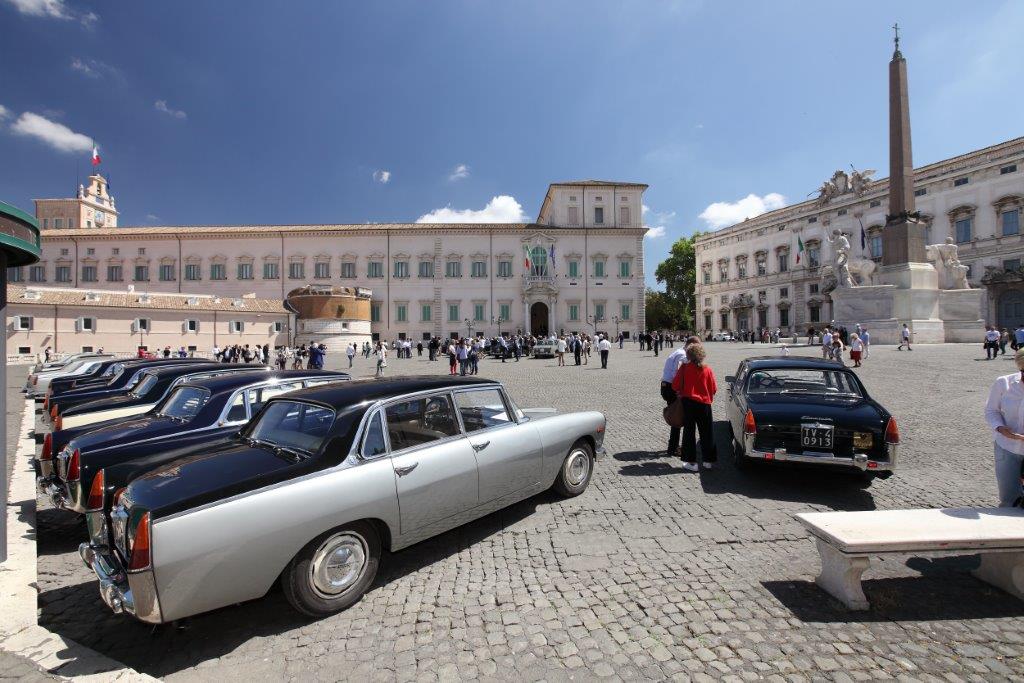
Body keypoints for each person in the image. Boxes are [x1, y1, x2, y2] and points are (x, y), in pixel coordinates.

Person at [984, 349, 1024, 506]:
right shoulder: (1003, 383)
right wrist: (1000, 427)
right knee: (1008, 499)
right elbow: (991, 410)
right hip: (1007, 447)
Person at [671, 344, 718, 472]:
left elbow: (675, 385)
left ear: (688, 355)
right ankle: (708, 461)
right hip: (705, 404)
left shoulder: (685, 368)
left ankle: (692, 462)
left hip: (689, 403)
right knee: (707, 433)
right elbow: (714, 388)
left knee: (689, 433)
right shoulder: (707, 369)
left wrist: (682, 390)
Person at [660, 337, 697, 458]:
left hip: (666, 386)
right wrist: (682, 392)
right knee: (678, 415)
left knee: (677, 415)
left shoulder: (679, 351)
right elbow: (678, 375)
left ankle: (673, 446)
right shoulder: (683, 355)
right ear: (691, 346)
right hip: (671, 388)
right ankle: (673, 448)